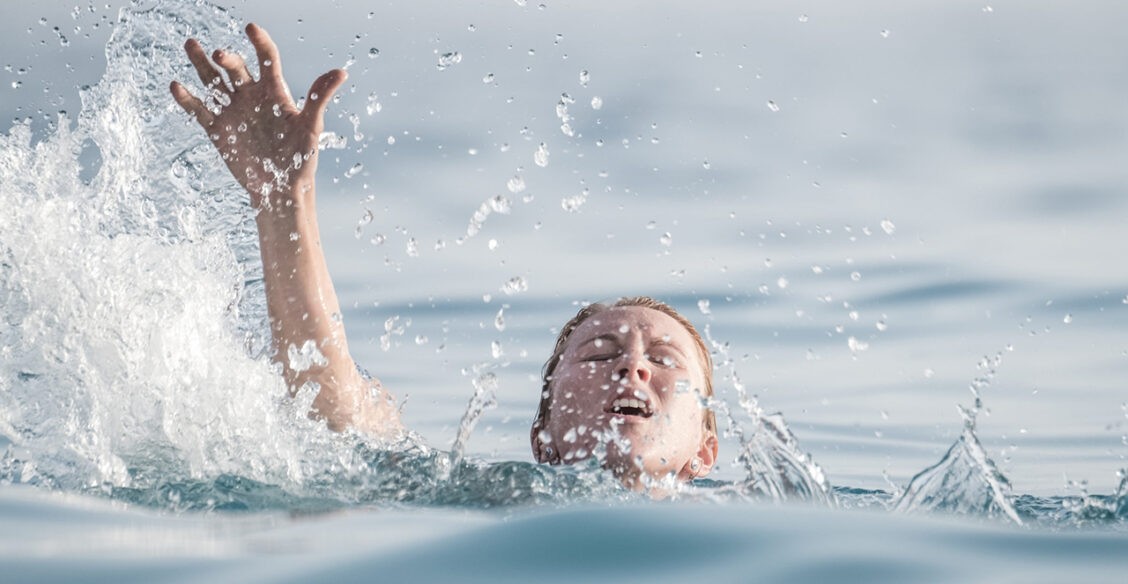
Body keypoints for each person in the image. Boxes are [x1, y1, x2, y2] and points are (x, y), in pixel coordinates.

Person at [170, 24, 718, 490]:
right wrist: (283, 200)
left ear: (705, 451)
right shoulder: (495, 499)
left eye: (665, 359)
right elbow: (338, 419)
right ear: (544, 439)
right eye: (598, 355)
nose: (632, 366)